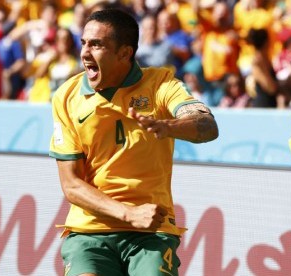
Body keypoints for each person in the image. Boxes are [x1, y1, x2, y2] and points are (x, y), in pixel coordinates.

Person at [49, 8, 219, 275]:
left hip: (151, 232)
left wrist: (167, 126)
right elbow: (71, 185)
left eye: (96, 45)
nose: (84, 53)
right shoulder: (66, 96)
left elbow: (207, 126)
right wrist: (128, 214)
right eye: (83, 43)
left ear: (125, 53)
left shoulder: (161, 83)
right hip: (90, 231)